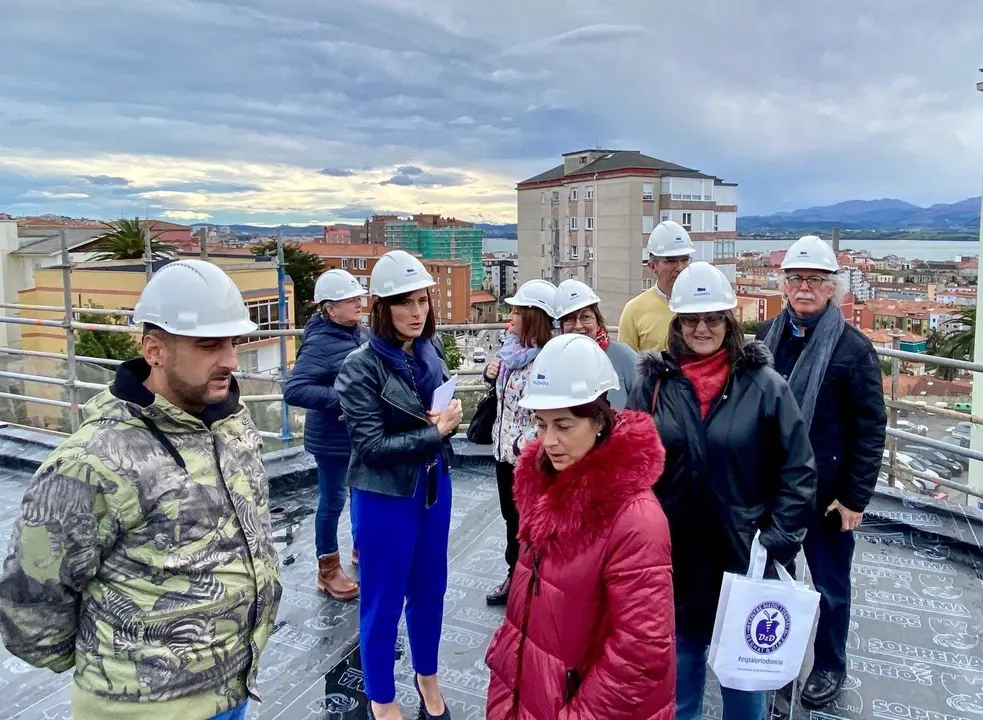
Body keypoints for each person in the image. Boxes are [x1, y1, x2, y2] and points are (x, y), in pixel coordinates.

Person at [0, 259, 282, 720]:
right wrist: (114, 665)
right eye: (209, 345)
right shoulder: (92, 460)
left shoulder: (230, 423)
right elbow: (31, 601)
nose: (231, 360)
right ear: (154, 350)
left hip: (233, 688)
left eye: (233, 342)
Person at [627, 261, 817, 720]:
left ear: (729, 322)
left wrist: (774, 542)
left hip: (743, 556)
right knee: (679, 679)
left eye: (712, 318)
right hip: (673, 557)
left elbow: (798, 472)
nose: (702, 329)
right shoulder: (653, 384)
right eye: (691, 319)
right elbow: (630, 464)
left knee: (745, 688)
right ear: (677, 324)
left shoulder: (766, 387)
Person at [484, 333, 676, 719]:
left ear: (600, 421)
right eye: (541, 425)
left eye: (564, 426)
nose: (548, 441)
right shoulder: (543, 486)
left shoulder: (635, 520)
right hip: (539, 689)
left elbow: (641, 652)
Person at [756, 235, 886, 709]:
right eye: (795, 279)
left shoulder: (853, 350)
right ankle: (775, 660)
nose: (804, 287)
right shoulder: (765, 339)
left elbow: (869, 429)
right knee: (772, 580)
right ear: (784, 285)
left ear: (833, 288)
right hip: (774, 490)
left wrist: (854, 499)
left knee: (830, 587)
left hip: (828, 494)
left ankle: (830, 664)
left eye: (814, 280)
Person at [335, 250, 462, 720]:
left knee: (431, 588)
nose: (416, 312)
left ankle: (427, 675)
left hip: (432, 484)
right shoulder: (360, 365)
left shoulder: (430, 351)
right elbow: (370, 446)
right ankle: (381, 698)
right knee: (383, 599)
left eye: (422, 300)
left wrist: (448, 418)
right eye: (404, 302)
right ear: (381, 308)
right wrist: (436, 431)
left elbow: (435, 415)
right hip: (384, 495)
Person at [283, 268, 369, 600]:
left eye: (359, 297)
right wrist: (343, 400)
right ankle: (328, 570)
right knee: (332, 500)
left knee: (362, 492)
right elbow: (294, 389)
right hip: (332, 439)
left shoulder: (360, 334)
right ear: (330, 309)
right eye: (350, 300)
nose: (359, 303)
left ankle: (361, 548)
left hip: (359, 434)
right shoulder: (319, 343)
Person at [482, 278, 555, 607]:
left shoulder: (547, 361)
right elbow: (505, 401)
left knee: (532, 523)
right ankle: (516, 577)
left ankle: (538, 584)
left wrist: (519, 447)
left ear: (533, 317)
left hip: (528, 459)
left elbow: (547, 415)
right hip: (504, 454)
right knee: (511, 519)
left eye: (516, 312)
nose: (509, 318)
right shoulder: (511, 352)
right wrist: (489, 375)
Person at [553, 278, 637, 409]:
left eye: (585, 317)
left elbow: (647, 403)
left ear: (598, 321)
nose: (578, 326)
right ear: (562, 326)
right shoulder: (556, 361)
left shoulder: (622, 356)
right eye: (570, 319)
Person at [618, 220, 695, 353]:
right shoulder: (634, 310)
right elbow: (625, 362)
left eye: (684, 259)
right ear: (653, 266)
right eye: (671, 260)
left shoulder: (702, 303)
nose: (680, 267)